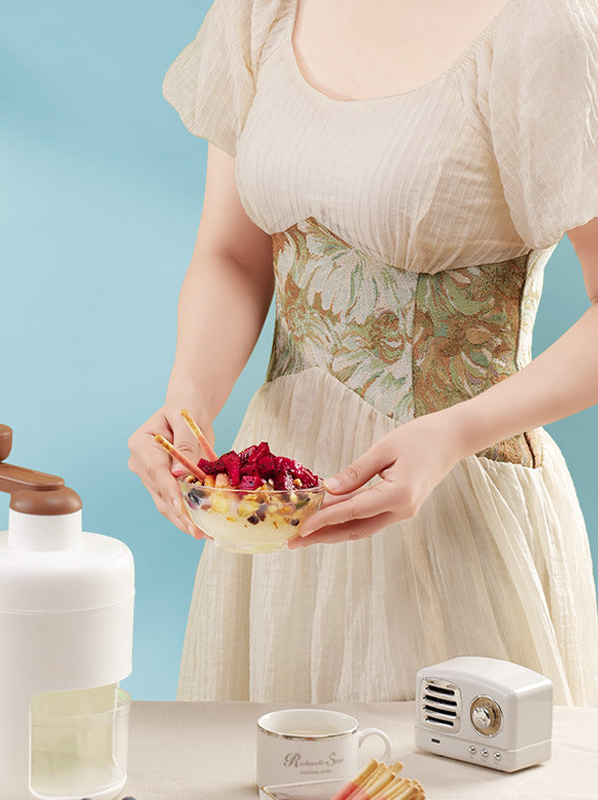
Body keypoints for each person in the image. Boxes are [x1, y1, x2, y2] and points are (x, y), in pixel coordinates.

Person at [128, 0, 598, 705]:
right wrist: (188, 401)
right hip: (275, 522)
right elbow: (232, 253)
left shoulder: (547, 25)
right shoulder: (262, 10)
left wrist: (453, 433)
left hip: (452, 509)